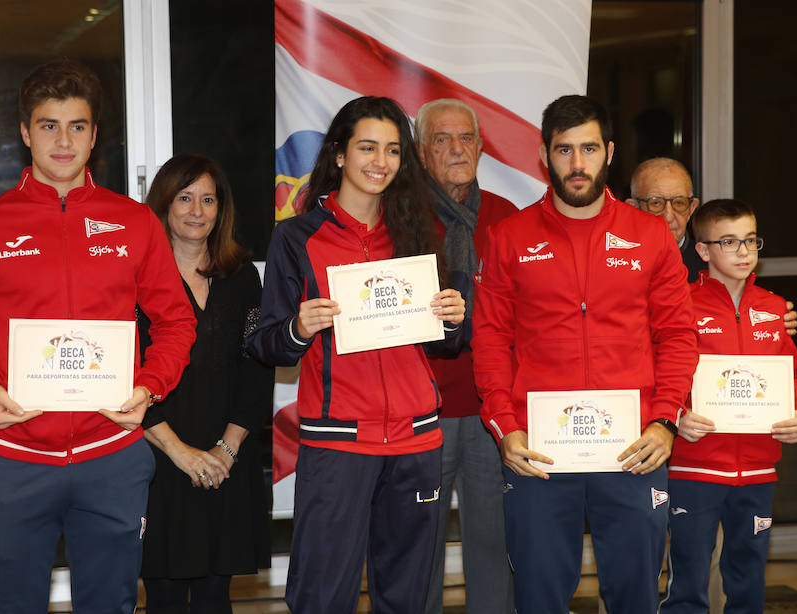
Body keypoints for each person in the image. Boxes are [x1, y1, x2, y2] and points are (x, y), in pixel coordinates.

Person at [0, 59, 196, 612]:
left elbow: (176, 321)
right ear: (25, 133)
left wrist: (149, 387)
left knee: (110, 603)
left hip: (112, 456)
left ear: (95, 136)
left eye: (77, 126)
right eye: (48, 125)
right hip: (13, 458)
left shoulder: (134, 222)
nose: (63, 140)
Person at [473, 94, 698, 613]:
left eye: (589, 149)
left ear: (610, 152)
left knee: (635, 596)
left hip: (634, 448)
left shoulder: (650, 237)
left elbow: (678, 336)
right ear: (544, 156)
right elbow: (489, 339)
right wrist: (505, 427)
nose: (577, 165)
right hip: (539, 452)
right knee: (539, 597)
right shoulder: (510, 238)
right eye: (564, 150)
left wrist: (665, 420)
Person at [247, 96, 465, 614]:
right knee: (323, 594)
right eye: (367, 147)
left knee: (408, 596)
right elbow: (266, 341)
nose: (380, 162)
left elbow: (445, 342)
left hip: (416, 441)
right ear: (340, 154)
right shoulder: (297, 236)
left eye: (392, 150)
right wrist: (299, 327)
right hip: (339, 442)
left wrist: (453, 318)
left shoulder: (420, 231)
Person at [660, 199, 797, 614]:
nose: (744, 251)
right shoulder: (680, 306)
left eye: (750, 240)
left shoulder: (773, 308)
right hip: (696, 467)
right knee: (689, 576)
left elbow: (792, 377)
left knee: (748, 575)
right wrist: (676, 418)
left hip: (759, 470)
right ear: (703, 250)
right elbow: (660, 375)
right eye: (729, 242)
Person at [138, 154, 273, 613]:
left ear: (222, 209)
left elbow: (257, 369)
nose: (197, 210)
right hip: (159, 458)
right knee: (165, 594)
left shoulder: (243, 277)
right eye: (185, 198)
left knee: (217, 593)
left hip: (227, 461)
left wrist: (226, 450)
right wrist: (181, 453)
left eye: (208, 199)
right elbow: (127, 375)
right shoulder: (134, 281)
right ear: (164, 205)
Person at [414, 98, 515, 614]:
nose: (457, 149)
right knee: (419, 547)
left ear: (480, 146)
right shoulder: (400, 216)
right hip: (421, 407)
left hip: (490, 409)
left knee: (494, 542)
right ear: (420, 151)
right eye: (441, 139)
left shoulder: (506, 217)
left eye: (466, 139)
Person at [627, 157, 797, 335]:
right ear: (633, 207)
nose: (668, 215)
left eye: (679, 203)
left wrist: (775, 316)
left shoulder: (715, 261)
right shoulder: (613, 262)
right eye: (656, 203)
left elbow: (746, 312)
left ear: (692, 208)